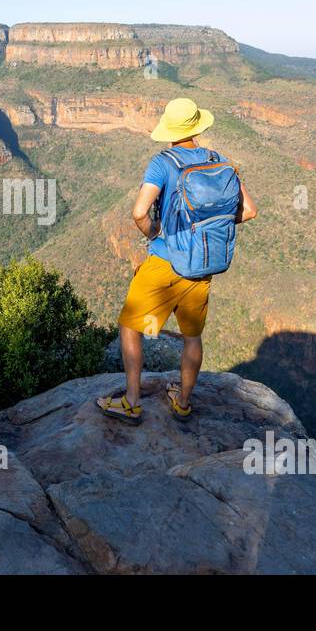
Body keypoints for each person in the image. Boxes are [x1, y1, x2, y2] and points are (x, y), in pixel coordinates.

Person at [97, 98, 257, 425]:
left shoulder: (163, 163)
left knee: (130, 327)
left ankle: (131, 402)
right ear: (197, 127)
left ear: (169, 131)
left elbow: (139, 212)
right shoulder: (220, 160)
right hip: (202, 266)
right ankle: (183, 402)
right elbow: (250, 211)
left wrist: (155, 232)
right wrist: (208, 228)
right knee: (192, 337)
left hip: (165, 263)